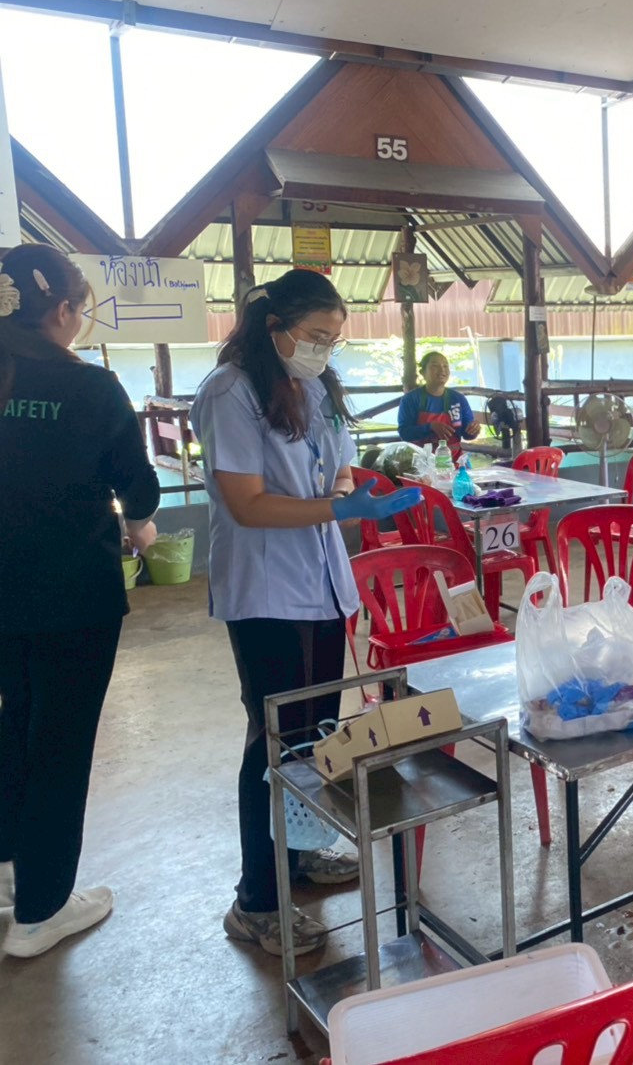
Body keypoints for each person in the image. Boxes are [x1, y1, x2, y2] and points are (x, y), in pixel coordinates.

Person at [191, 269, 423, 956]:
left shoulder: (316, 387)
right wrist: (336, 507)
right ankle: (257, 901)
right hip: (266, 590)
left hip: (322, 582)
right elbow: (247, 502)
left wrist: (353, 490)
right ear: (275, 327)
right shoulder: (230, 392)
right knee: (272, 738)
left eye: (333, 339)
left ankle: (296, 854)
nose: (324, 349)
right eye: (316, 335)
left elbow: (338, 467)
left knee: (315, 730)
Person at [0, 245, 159, 958]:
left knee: (13, 724)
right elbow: (139, 487)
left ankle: (7, 873)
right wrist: (139, 523)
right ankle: (40, 911)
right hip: (72, 597)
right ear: (61, 310)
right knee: (59, 743)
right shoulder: (90, 387)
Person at [397, 351, 481, 455]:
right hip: (421, 460)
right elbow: (404, 433)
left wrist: (474, 430)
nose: (442, 370)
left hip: (453, 460)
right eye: (435, 366)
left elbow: (467, 435)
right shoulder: (410, 399)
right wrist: (430, 427)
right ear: (423, 372)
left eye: (445, 366)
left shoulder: (458, 399)